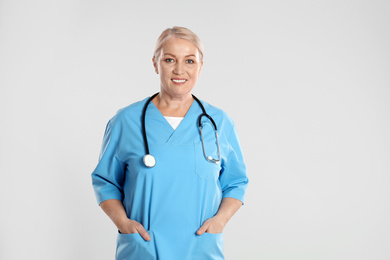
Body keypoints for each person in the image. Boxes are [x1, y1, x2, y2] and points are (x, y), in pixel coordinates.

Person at [91, 26, 248, 260]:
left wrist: (219, 221)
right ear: (155, 63)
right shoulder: (126, 121)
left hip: (200, 249)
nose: (179, 70)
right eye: (169, 59)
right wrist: (123, 223)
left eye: (190, 61)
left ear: (201, 66)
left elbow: (236, 182)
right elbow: (106, 182)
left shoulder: (218, 122)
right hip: (143, 249)